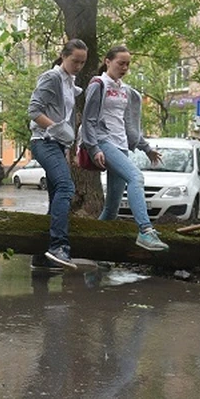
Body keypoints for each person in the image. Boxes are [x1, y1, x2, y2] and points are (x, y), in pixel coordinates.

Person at [78, 45, 169, 251]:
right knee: (136, 177)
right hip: (103, 142)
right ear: (108, 61)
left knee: (111, 209)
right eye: (121, 63)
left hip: (120, 146)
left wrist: (146, 148)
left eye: (128, 64)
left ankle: (91, 250)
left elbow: (129, 126)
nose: (125, 67)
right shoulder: (98, 84)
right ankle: (145, 231)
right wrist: (93, 149)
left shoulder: (125, 91)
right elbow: (88, 120)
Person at [27, 39, 88, 269]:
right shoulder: (51, 78)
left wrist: (69, 148)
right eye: (75, 61)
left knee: (56, 197)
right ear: (63, 56)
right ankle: (59, 247)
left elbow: (68, 118)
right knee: (66, 187)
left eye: (83, 62)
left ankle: (41, 257)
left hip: (59, 145)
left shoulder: (70, 82)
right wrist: (55, 128)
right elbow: (33, 110)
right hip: (43, 142)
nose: (79, 66)